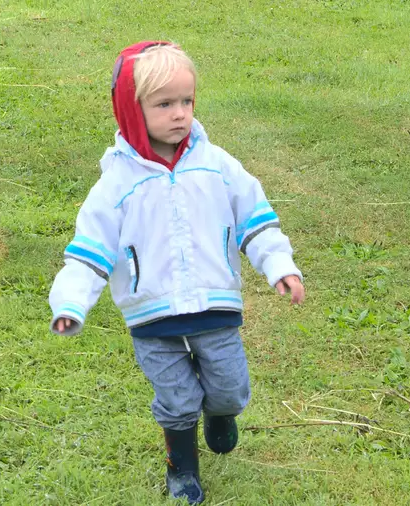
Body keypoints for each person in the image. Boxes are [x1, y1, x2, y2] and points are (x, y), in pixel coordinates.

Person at [48, 41, 305, 504]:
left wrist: (279, 266)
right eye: (164, 104)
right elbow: (88, 253)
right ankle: (181, 465)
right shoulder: (116, 186)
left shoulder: (217, 166)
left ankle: (221, 413)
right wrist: (70, 303)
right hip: (153, 319)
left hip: (215, 305)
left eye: (187, 101)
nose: (180, 113)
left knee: (229, 389)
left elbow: (256, 220)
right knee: (179, 400)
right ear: (131, 109)